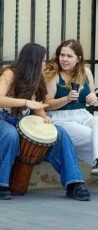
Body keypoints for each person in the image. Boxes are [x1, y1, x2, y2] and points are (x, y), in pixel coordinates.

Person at [0, 42, 90, 201]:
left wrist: (44, 118)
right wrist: (25, 102)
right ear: (33, 60)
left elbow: (37, 104)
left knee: (60, 133)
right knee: (10, 135)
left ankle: (74, 184)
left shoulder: (37, 77)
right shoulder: (10, 73)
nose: (45, 63)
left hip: (22, 122)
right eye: (43, 60)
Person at [43, 39, 98, 175]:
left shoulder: (86, 72)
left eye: (69, 56)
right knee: (90, 136)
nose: (64, 59)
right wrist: (66, 98)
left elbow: (90, 98)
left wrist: (93, 98)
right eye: (62, 55)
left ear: (78, 58)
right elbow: (47, 105)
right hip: (61, 118)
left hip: (83, 115)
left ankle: (97, 160)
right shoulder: (53, 75)